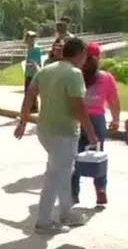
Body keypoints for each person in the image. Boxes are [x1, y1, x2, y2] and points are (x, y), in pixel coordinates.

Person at [15, 37, 98, 234]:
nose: (86, 57)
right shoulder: (74, 73)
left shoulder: (46, 69)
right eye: (85, 53)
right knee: (55, 175)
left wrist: (23, 121)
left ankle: (65, 214)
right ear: (80, 53)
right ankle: (44, 222)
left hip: (45, 130)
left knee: (63, 172)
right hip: (64, 132)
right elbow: (78, 105)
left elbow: (29, 95)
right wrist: (91, 133)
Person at [71, 41, 120, 206]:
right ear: (99, 57)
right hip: (97, 120)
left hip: (77, 118)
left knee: (74, 157)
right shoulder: (106, 77)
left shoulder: (74, 74)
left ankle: (73, 194)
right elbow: (113, 101)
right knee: (98, 157)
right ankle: (101, 190)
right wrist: (115, 119)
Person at [24, 31, 43, 114]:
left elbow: (36, 62)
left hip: (33, 73)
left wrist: (29, 64)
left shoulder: (35, 49)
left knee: (30, 91)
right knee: (28, 90)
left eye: (32, 38)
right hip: (28, 72)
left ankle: (33, 108)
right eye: (28, 37)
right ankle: (32, 107)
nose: (30, 39)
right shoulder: (30, 48)